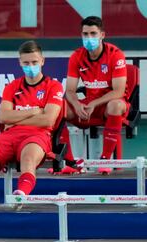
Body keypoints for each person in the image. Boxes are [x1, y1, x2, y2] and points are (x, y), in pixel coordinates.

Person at [0, 40, 64, 197]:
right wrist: (34, 111)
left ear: (42, 61)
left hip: (38, 135)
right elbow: (3, 116)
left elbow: (48, 120)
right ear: (20, 62)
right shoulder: (12, 86)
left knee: (28, 159)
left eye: (34, 62)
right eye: (26, 62)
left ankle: (21, 193)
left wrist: (15, 119)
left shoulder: (53, 86)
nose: (31, 66)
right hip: (9, 135)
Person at [59, 16, 128, 174]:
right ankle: (70, 162)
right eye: (85, 34)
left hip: (111, 104)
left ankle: (105, 159)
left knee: (115, 105)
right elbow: (69, 90)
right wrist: (77, 105)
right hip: (89, 104)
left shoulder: (116, 55)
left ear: (102, 35)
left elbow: (118, 91)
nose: (89, 38)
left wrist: (94, 103)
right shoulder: (77, 56)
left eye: (93, 33)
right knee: (59, 108)